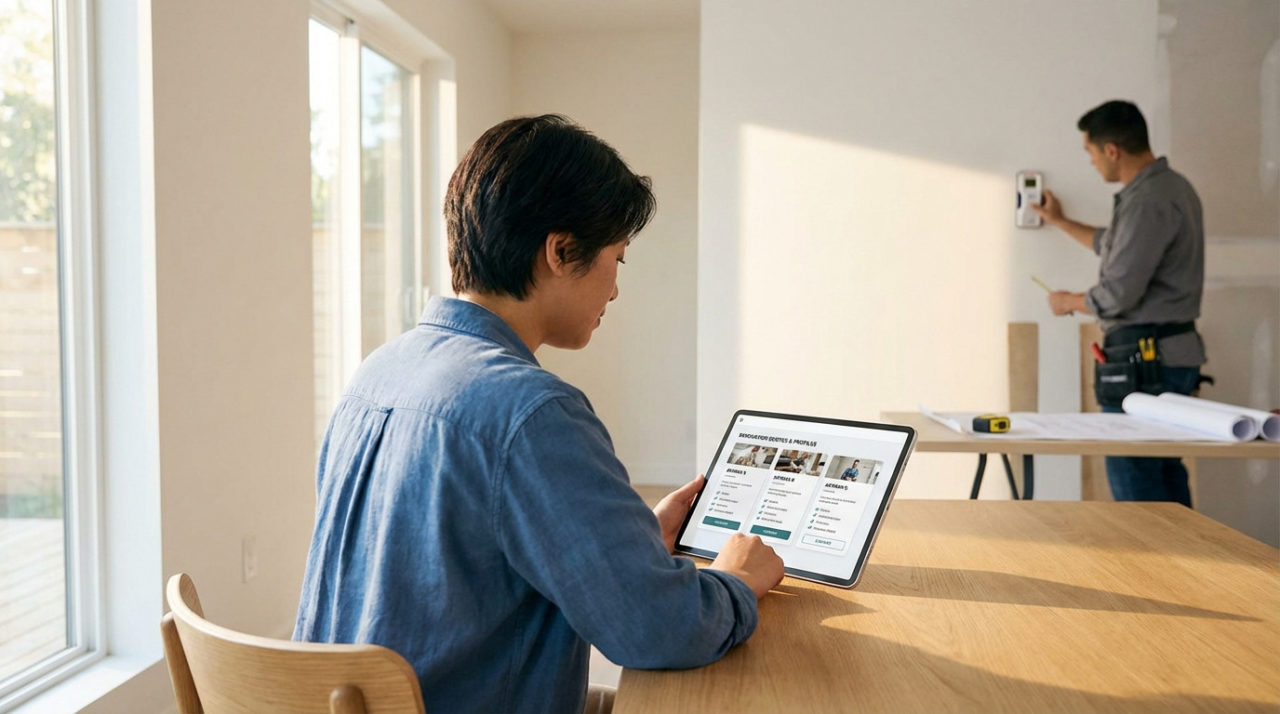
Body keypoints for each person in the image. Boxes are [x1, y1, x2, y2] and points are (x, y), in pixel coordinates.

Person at [293, 115, 784, 714]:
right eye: (618, 260)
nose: (615, 290)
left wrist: (632, 541)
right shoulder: (532, 412)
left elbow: (457, 563)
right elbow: (656, 631)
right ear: (560, 250)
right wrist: (737, 582)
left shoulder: (378, 373)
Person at [1032, 100, 1205, 506]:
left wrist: (1068, 302)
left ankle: (1153, 571)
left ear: (1112, 150)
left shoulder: (1148, 201)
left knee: (1137, 488)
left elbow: (1117, 294)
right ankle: (1180, 568)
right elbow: (1111, 245)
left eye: (1090, 153)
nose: (1091, 162)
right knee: (1162, 475)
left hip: (1147, 364)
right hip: (1164, 358)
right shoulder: (1169, 188)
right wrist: (1059, 221)